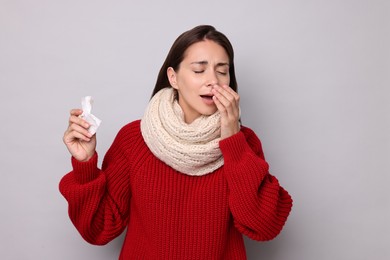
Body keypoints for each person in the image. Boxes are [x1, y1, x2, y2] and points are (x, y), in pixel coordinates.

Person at [60, 25, 293, 260]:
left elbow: (264, 226)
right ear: (173, 77)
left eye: (222, 71)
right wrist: (85, 164)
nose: (213, 80)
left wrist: (233, 140)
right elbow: (99, 229)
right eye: (199, 70)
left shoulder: (244, 143)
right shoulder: (133, 140)